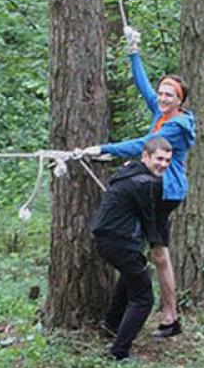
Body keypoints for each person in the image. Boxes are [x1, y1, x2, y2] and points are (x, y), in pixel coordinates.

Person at [83, 26, 195, 338]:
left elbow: (142, 146)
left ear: (179, 100)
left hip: (165, 191)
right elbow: (144, 88)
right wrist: (134, 53)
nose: (161, 97)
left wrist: (102, 148)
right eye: (161, 93)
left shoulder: (175, 125)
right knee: (147, 254)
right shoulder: (162, 112)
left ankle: (170, 316)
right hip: (153, 188)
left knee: (158, 254)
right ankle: (129, 317)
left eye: (169, 95)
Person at [90, 137, 173, 361]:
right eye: (159, 159)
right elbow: (151, 219)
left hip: (107, 238)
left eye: (167, 160)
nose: (163, 165)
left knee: (131, 277)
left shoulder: (129, 172)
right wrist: (159, 244)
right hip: (120, 241)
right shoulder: (147, 183)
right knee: (144, 298)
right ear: (145, 156)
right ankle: (119, 352)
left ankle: (111, 323)